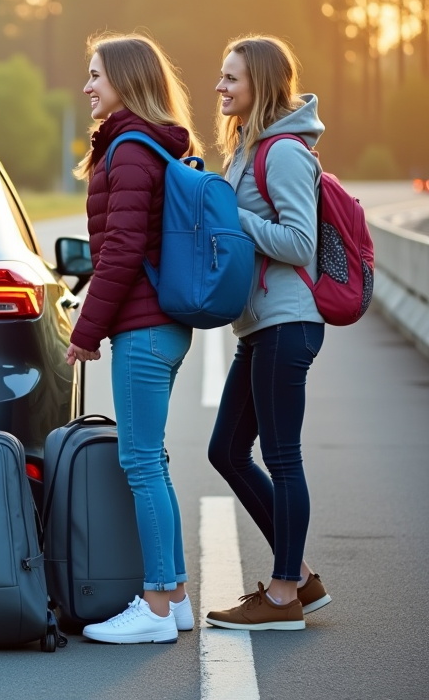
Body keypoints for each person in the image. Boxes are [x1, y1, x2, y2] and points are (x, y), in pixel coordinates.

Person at [67, 33, 199, 645]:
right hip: (159, 326)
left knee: (142, 463)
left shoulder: (130, 150)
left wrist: (86, 331)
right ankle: (172, 598)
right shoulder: (147, 146)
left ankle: (152, 606)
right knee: (153, 462)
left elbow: (119, 253)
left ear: (125, 79)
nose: (87, 86)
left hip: (142, 329)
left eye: (96, 75)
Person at [205, 36, 330, 631]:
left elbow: (299, 243)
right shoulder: (247, 148)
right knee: (225, 451)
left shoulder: (282, 152)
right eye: (221, 77)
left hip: (287, 323)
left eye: (231, 78)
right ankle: (301, 577)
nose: (220, 87)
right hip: (259, 325)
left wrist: (233, 217)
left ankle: (283, 598)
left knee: (282, 457)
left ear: (261, 84)